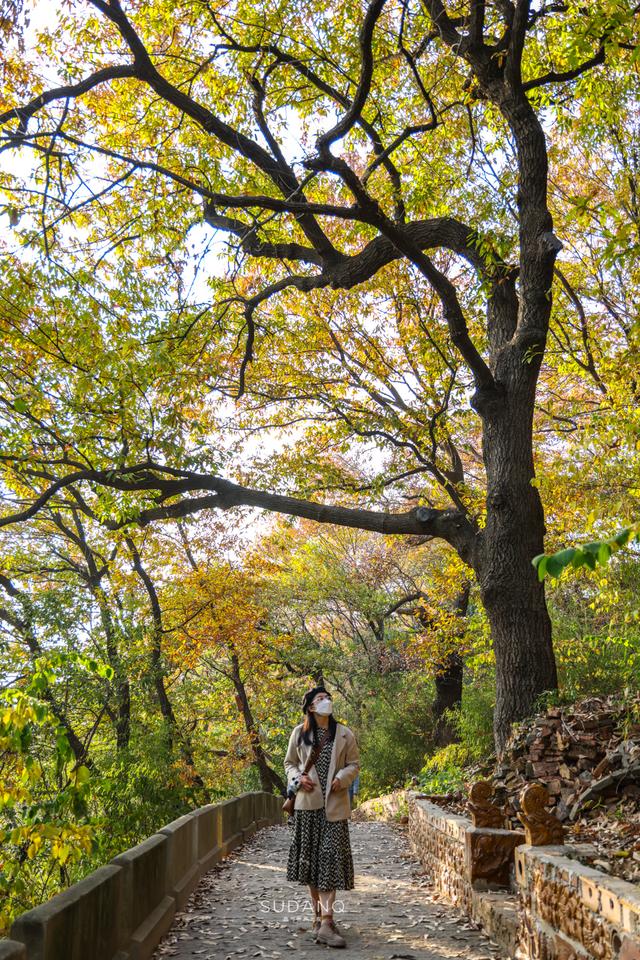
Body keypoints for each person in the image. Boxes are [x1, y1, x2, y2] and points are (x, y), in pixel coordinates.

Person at [284, 686, 360, 949]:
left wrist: (342, 778)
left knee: (328, 859)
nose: (326, 701)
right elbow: (289, 763)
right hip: (307, 806)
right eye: (320, 699)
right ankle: (318, 918)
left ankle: (327, 921)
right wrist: (297, 778)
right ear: (311, 707)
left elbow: (354, 764)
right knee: (313, 865)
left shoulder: (344, 733)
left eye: (328, 697)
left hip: (334, 807)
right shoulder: (299, 733)